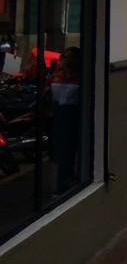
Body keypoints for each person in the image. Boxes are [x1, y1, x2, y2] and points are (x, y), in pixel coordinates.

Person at [46, 47, 81, 192]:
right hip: (56, 120)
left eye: (71, 58)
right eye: (65, 57)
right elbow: (46, 94)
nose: (67, 61)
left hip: (74, 120)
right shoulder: (55, 77)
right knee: (56, 154)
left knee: (68, 154)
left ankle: (63, 185)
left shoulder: (81, 78)